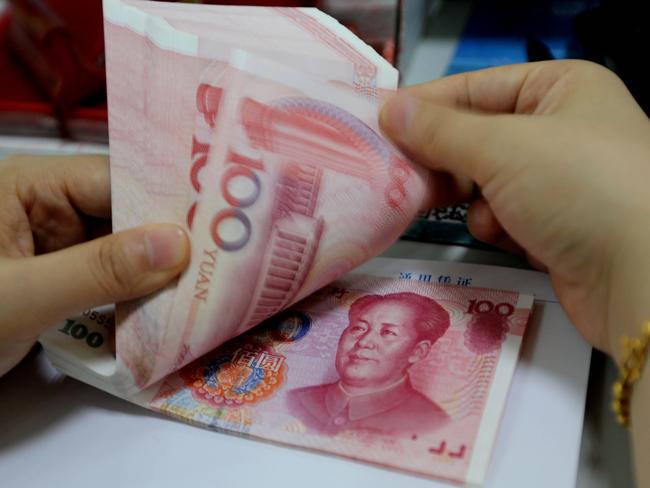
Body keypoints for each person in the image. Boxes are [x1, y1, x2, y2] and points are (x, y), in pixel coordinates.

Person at [0, 60, 648, 484]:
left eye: (386, 334)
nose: (360, 340)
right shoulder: (310, 400)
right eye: (361, 329)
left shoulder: (426, 422)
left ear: (426, 348)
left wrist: (628, 258)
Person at [287, 292, 450, 437]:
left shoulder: (432, 423)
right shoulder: (295, 399)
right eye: (358, 328)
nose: (364, 342)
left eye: (387, 332)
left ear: (418, 351)